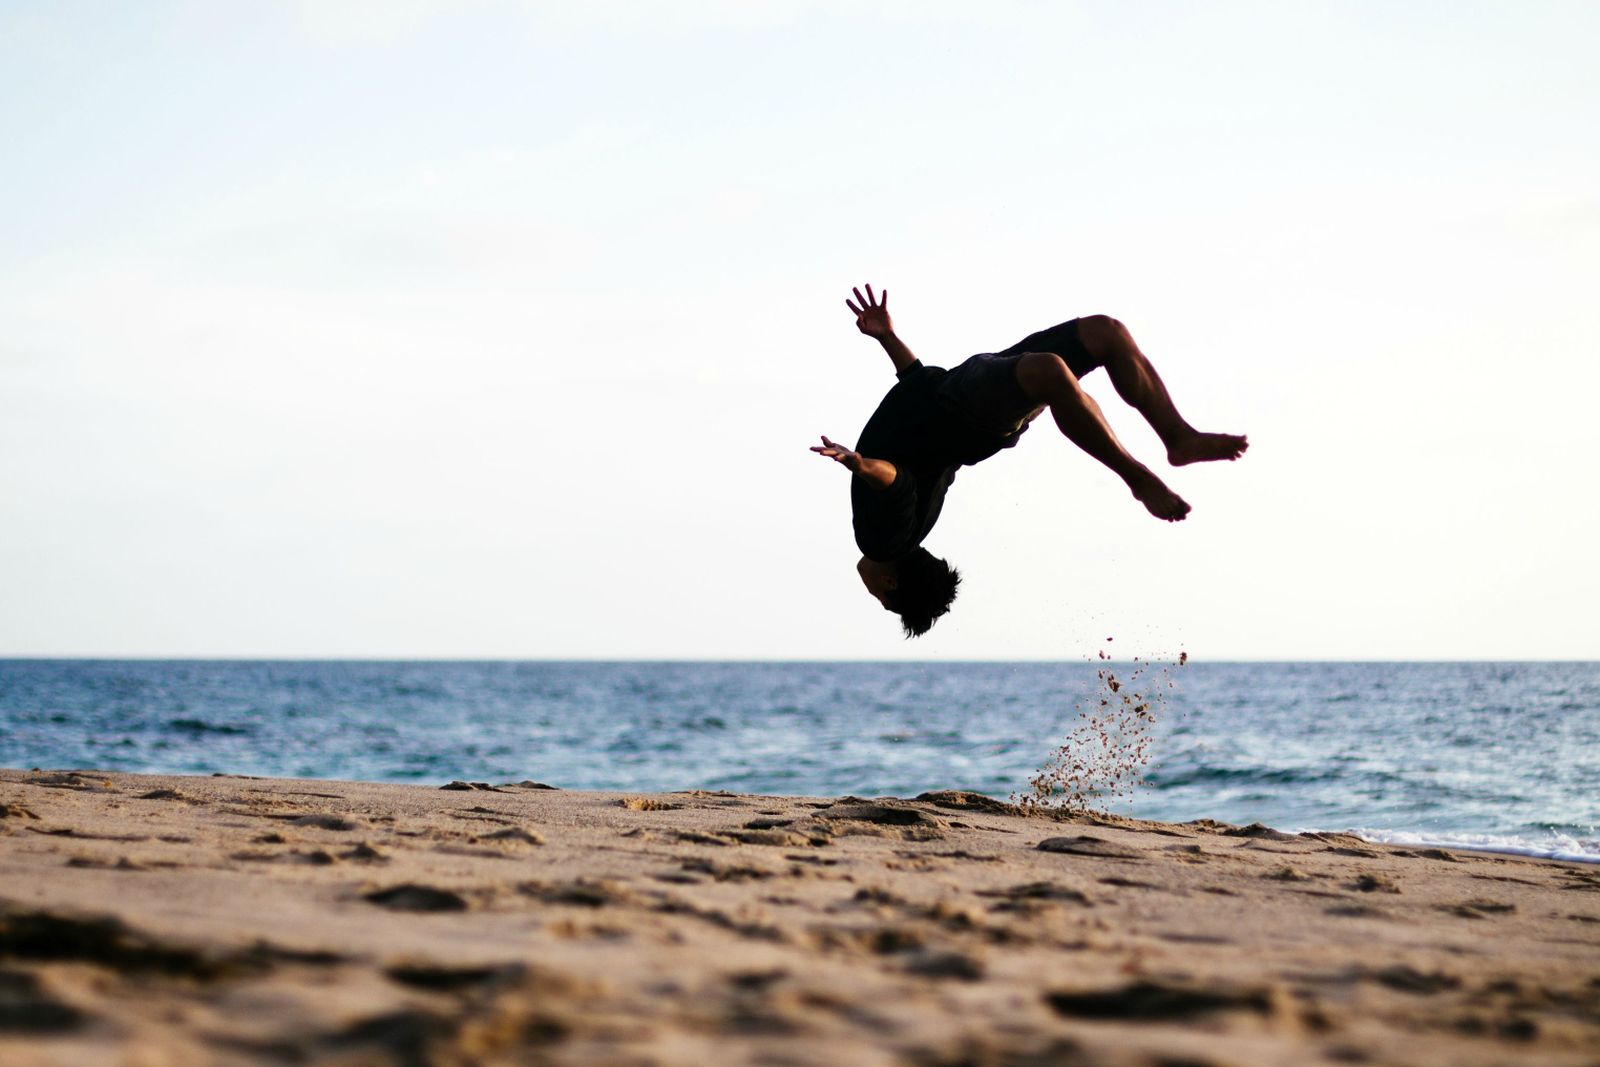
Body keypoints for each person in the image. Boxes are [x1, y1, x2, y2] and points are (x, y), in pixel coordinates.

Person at [812, 283, 1247, 638]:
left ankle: (1178, 438)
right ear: (890, 586)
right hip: (966, 407)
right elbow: (895, 482)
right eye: (881, 601)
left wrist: (888, 339)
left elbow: (915, 399)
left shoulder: (903, 532)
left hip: (961, 397)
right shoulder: (883, 542)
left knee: (1104, 332)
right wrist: (859, 464)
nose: (870, 591)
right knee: (1053, 371)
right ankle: (1138, 477)